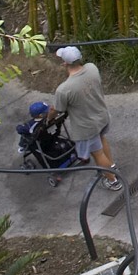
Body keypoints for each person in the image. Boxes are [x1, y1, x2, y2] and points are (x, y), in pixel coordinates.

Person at [52, 46, 118, 188]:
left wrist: (48, 117)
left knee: (97, 154)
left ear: (65, 64)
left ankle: (113, 180)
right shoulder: (92, 68)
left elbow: (58, 109)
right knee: (102, 139)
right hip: (102, 116)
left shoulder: (64, 89)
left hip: (87, 126)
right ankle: (112, 165)